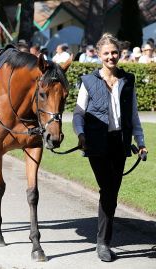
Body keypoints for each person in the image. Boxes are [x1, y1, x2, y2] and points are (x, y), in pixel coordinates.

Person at [73, 33, 147, 262]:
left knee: (111, 192)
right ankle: (103, 243)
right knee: (108, 190)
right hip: (96, 143)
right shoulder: (88, 81)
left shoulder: (128, 80)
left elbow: (133, 115)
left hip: (120, 143)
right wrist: (81, 134)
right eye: (106, 53)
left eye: (114, 52)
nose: (111, 56)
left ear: (120, 53)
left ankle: (104, 239)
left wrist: (140, 142)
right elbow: (78, 114)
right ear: (98, 55)